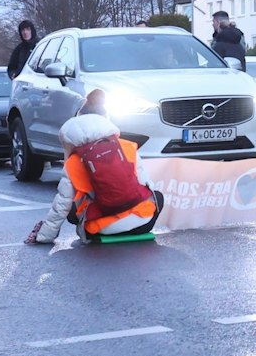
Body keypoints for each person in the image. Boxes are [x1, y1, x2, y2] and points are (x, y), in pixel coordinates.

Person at [25, 91, 163, 244]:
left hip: (100, 229)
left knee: (71, 206)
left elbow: (62, 205)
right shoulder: (127, 147)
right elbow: (146, 185)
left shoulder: (73, 162)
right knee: (157, 195)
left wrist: (44, 236)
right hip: (143, 223)